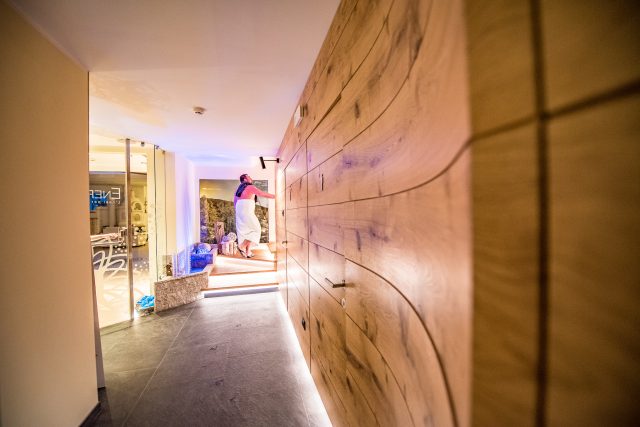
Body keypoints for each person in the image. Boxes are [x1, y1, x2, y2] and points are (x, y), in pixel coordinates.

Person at [234, 173, 275, 258]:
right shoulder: (249, 187)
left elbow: (235, 202)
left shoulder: (238, 190)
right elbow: (262, 194)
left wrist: (240, 212)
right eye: (249, 177)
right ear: (245, 179)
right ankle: (241, 246)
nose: (251, 178)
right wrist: (275, 196)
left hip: (239, 211)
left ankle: (248, 252)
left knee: (248, 231)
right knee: (256, 229)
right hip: (246, 210)